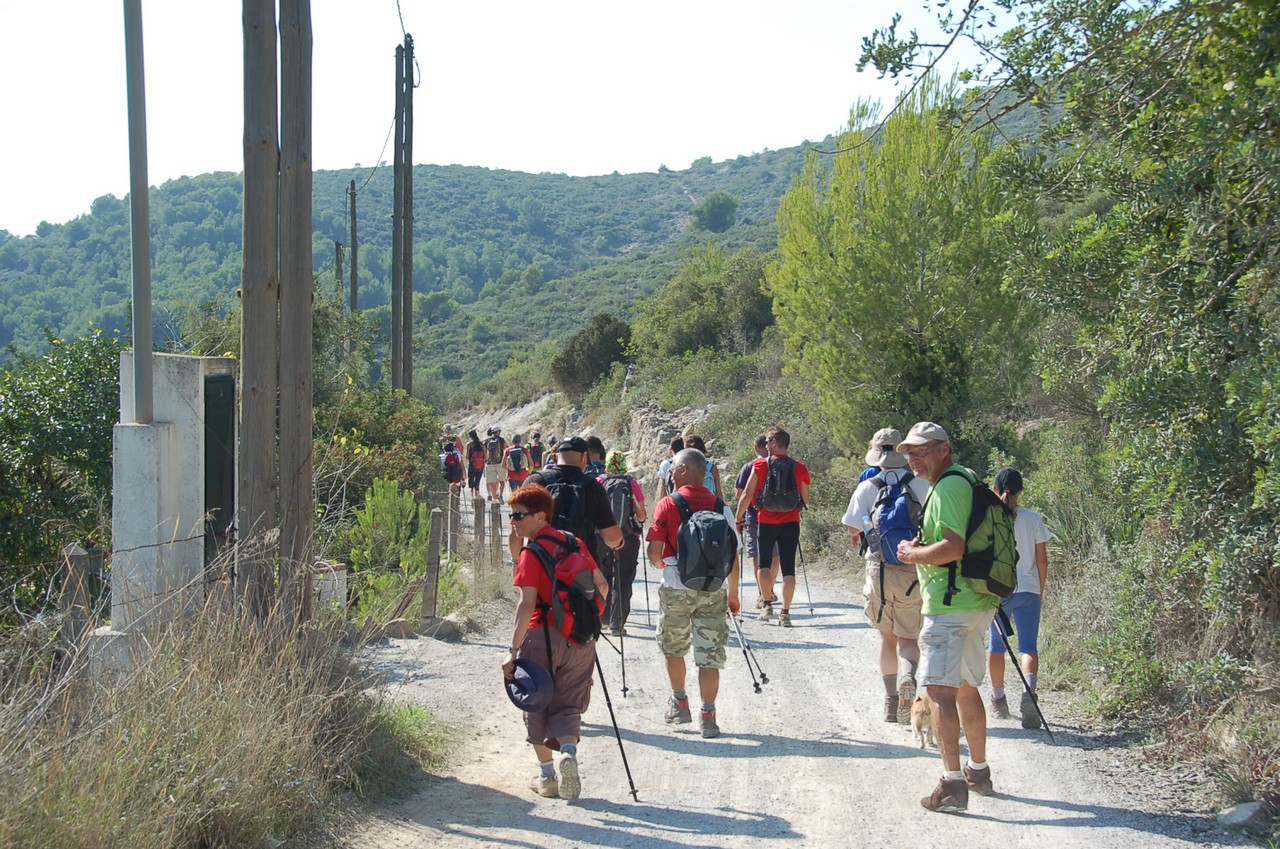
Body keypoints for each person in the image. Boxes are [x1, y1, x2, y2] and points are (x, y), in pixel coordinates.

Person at [894, 421, 998, 813]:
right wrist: (923, 546)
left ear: (944, 448)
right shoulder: (965, 479)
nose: (914, 459)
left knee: (939, 692)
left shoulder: (949, 486)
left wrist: (912, 554)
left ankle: (952, 784)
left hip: (950, 606)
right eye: (910, 453)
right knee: (967, 687)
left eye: (922, 451)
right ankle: (978, 771)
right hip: (975, 601)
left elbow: (953, 548)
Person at [502, 483, 609, 801]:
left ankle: (548, 777)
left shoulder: (531, 553)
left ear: (540, 516)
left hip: (541, 638)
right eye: (511, 515)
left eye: (519, 515)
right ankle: (567, 753)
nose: (513, 522)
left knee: (536, 702)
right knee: (568, 705)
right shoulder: (573, 543)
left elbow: (526, 605)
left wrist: (512, 652)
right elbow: (602, 584)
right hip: (580, 639)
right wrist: (587, 621)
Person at [646, 448, 740, 738]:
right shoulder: (721, 506)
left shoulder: (668, 503)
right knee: (710, 655)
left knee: (674, 648)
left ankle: (680, 704)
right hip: (714, 589)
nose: (670, 474)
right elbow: (733, 554)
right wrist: (733, 593)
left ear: (684, 470)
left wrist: (660, 563)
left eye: (673, 468)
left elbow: (654, 552)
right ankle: (708, 716)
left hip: (677, 588)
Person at [841, 428, 930, 724]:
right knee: (909, 638)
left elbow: (853, 526)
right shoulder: (920, 484)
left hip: (878, 568)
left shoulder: (868, 486)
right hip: (912, 569)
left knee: (887, 639)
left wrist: (869, 527)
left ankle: (891, 702)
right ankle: (908, 677)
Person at [986, 467, 1053, 728]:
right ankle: (1028, 693)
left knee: (996, 646)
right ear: (1021, 491)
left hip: (998, 590)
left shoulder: (990, 517)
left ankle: (998, 698)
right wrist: (1039, 588)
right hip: (1028, 590)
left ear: (995, 490)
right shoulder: (1033, 519)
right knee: (1028, 647)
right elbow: (1042, 560)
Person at [733, 428, 811, 627]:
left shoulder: (760, 465)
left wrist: (738, 517)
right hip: (791, 522)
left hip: (766, 521)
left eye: (768, 442)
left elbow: (747, 494)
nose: (766, 445)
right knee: (788, 569)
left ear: (775, 442)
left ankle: (767, 605)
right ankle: (785, 613)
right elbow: (806, 498)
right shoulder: (800, 467)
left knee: (764, 564)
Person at [522, 436, 624, 568]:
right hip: (580, 569)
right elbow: (612, 537)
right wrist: (618, 542)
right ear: (584, 457)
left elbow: (516, 528)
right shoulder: (594, 487)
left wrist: (517, 561)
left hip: (539, 565)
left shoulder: (535, 481)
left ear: (556, 456)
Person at [597, 450, 648, 636]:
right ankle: (617, 625)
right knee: (623, 580)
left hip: (602, 538)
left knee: (604, 577)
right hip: (627, 538)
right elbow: (641, 515)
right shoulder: (630, 483)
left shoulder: (599, 482)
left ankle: (602, 619)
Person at [736, 434, 780, 609]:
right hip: (780, 517)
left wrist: (739, 516)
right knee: (775, 556)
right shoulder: (781, 465)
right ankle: (770, 589)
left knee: (758, 557)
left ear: (756, 447)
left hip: (755, 518)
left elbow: (740, 494)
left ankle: (763, 593)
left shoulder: (749, 467)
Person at [484, 428, 508, 500]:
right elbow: (507, 448)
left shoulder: (487, 440)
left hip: (490, 464)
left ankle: (494, 499)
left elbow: (484, 451)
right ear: (498, 432)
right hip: (500, 463)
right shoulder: (501, 440)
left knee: (492, 482)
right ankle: (500, 496)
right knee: (502, 481)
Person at [465, 429, 486, 499]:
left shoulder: (469, 445)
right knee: (477, 482)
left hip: (472, 465)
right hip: (480, 466)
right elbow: (486, 456)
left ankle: (472, 498)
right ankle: (477, 497)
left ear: (470, 437)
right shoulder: (481, 444)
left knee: (471, 483)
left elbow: (467, 457)